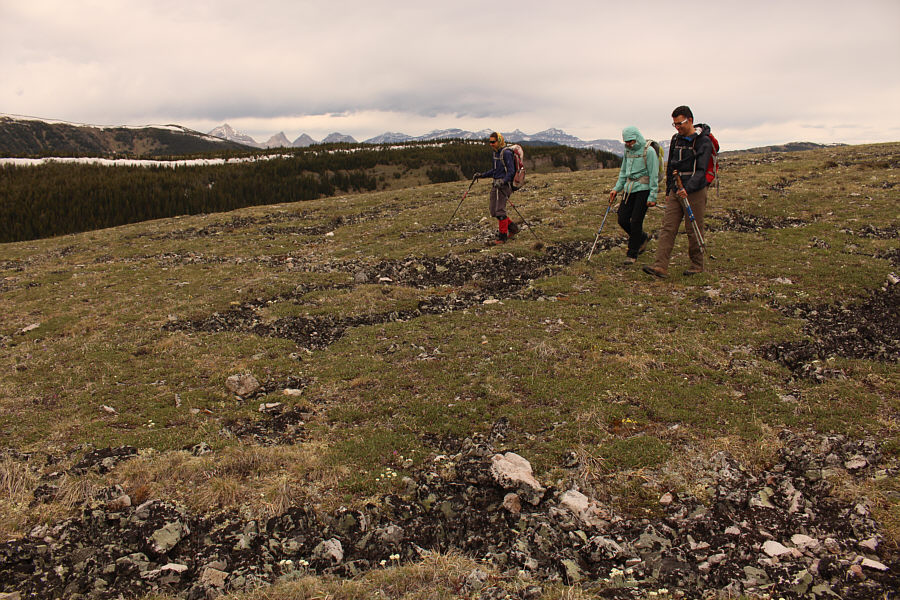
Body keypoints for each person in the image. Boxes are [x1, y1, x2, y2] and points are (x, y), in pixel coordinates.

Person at [643, 106, 713, 278]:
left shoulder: (703, 141)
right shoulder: (676, 139)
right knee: (668, 227)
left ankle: (697, 265)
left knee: (693, 227)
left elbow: (702, 170)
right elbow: (671, 166)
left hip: (695, 191)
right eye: (674, 124)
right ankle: (660, 266)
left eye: (680, 123)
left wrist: (688, 189)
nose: (677, 127)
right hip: (676, 188)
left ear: (690, 120)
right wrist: (669, 191)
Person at [609, 126, 658, 265]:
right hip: (629, 189)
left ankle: (632, 253)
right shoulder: (627, 151)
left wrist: (652, 196)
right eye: (626, 142)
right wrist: (616, 189)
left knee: (636, 221)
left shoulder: (649, 152)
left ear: (637, 137)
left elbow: (653, 175)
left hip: (644, 189)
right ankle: (642, 237)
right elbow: (623, 172)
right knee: (622, 218)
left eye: (631, 141)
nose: (629, 144)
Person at [474, 132, 520, 244]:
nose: (491, 144)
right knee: (493, 210)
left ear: (499, 141)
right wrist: (482, 175)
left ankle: (502, 237)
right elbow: (495, 170)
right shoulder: (496, 153)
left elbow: (511, 171)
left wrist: (503, 181)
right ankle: (513, 228)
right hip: (496, 184)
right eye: (490, 142)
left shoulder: (506, 153)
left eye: (493, 142)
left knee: (500, 211)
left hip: (504, 186)